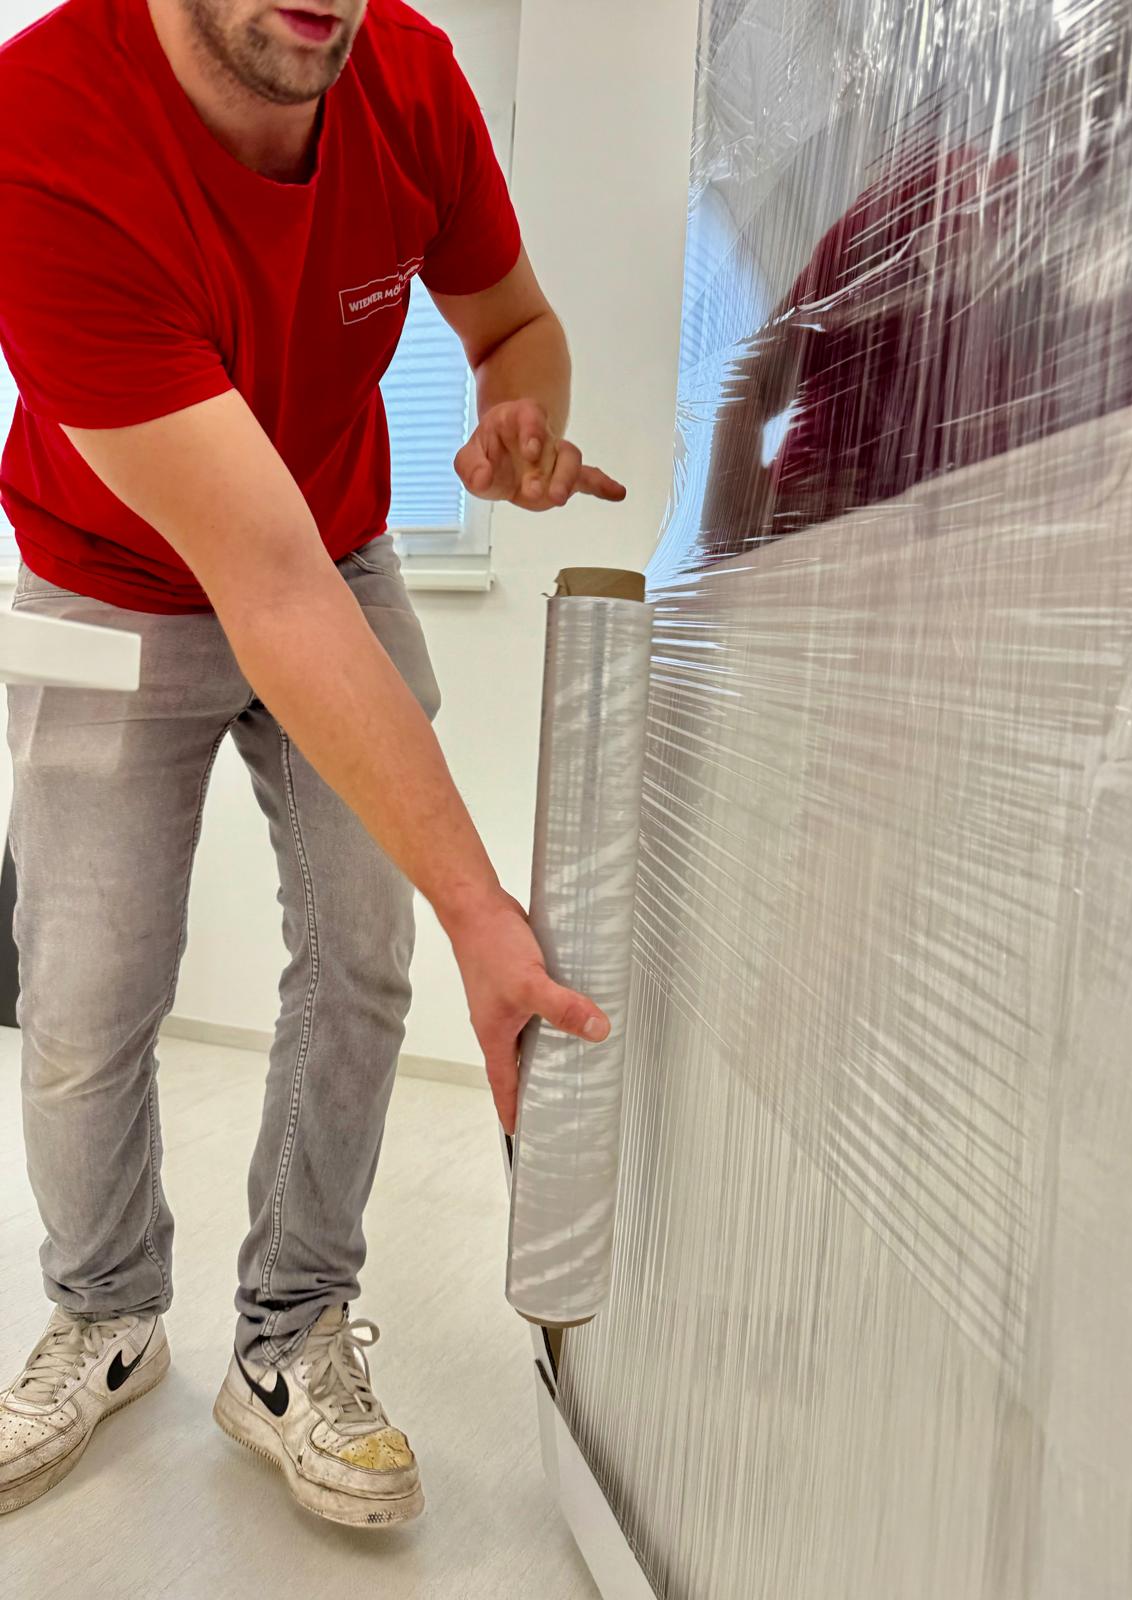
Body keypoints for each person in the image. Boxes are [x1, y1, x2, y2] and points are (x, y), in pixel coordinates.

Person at [0, 0, 625, 1528]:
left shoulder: (407, 76)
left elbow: (514, 324)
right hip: (111, 577)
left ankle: (287, 1339)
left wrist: (522, 408)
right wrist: (485, 906)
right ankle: (105, 1312)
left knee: (362, 953)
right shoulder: (40, 130)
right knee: (84, 993)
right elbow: (256, 581)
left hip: (333, 547)